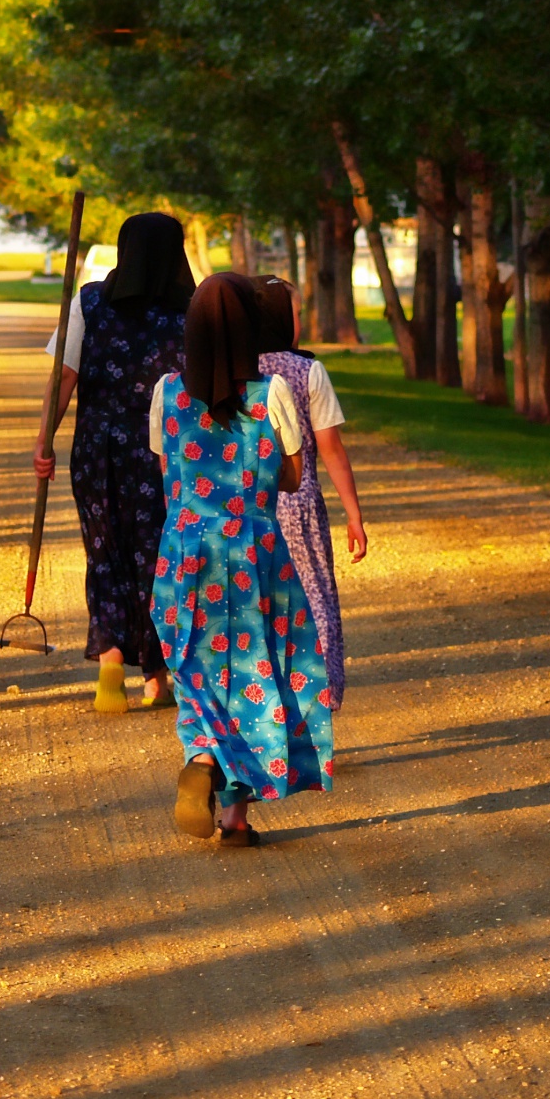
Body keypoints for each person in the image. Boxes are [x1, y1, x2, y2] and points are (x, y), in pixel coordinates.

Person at [150, 272, 334, 846]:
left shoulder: (166, 393)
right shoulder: (271, 393)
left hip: (184, 553)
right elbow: (295, 476)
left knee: (194, 666)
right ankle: (234, 816)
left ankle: (202, 758)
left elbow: (168, 474)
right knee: (257, 673)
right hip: (254, 554)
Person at [34, 212, 193, 712]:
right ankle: (156, 677)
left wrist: (44, 439)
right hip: (167, 451)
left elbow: (64, 377)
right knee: (160, 556)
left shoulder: (89, 302)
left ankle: (110, 660)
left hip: (99, 447)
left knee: (104, 548)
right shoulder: (192, 311)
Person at [253, 275, 366, 708]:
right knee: (313, 598)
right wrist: (353, 514)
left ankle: (266, 703)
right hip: (298, 507)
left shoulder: (232, 369)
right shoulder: (307, 371)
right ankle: (317, 698)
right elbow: (331, 448)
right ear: (282, 318)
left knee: (260, 606)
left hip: (246, 506)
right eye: (296, 313)